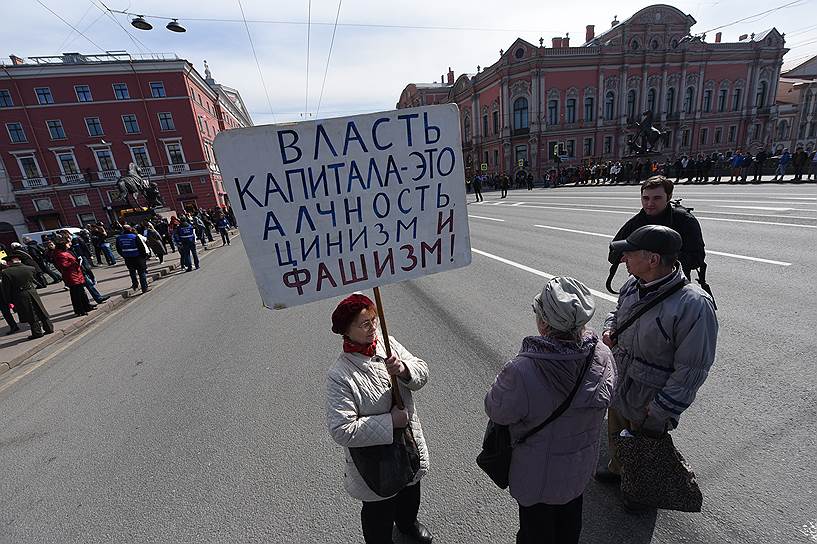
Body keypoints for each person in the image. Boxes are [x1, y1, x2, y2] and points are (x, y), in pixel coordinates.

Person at [485, 278, 616, 544]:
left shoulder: (523, 369)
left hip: (537, 477)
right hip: (578, 470)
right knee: (570, 528)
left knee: (535, 533)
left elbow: (496, 409)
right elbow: (610, 396)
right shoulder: (602, 354)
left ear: (544, 323)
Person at [596, 225, 718, 509]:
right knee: (617, 435)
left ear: (652, 259)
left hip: (650, 399)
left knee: (644, 450)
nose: (624, 258)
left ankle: (640, 491)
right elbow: (616, 313)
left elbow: (692, 370)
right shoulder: (633, 283)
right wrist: (610, 329)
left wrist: (663, 408)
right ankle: (618, 470)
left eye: (630, 253)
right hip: (621, 382)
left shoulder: (694, 305)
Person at [326, 294, 432, 544]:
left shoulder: (388, 343)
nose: (373, 327)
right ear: (346, 332)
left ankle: (407, 525)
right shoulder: (340, 375)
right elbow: (341, 429)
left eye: (374, 320)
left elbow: (422, 370)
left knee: (410, 489)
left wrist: (404, 370)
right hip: (374, 462)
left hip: (407, 443)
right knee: (379, 511)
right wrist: (389, 422)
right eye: (364, 324)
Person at [609, 176, 706, 283]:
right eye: (646, 198)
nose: (650, 203)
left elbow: (697, 258)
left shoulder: (684, 220)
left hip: (675, 286)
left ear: (668, 197)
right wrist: (633, 255)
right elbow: (613, 255)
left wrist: (661, 260)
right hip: (641, 286)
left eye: (657, 198)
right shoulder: (636, 222)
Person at [0, 256, 53, 339]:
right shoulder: (30, 268)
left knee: (30, 313)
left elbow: (6, 288)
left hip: (19, 294)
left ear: (10, 262)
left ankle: (37, 332)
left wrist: (8, 299)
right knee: (40, 309)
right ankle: (49, 328)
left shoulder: (6, 272)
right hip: (32, 291)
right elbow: (33, 279)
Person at [52, 240, 96, 316]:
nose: (68, 245)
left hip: (76, 273)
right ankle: (80, 310)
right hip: (71, 275)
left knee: (82, 292)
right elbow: (64, 265)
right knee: (76, 294)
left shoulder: (65, 252)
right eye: (67, 244)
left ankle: (87, 306)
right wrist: (75, 263)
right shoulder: (60, 254)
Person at [116, 225, 150, 294]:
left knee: (132, 272)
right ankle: (144, 287)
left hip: (128, 258)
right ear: (130, 229)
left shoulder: (119, 238)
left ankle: (135, 285)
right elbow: (141, 247)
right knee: (141, 272)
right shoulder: (135, 237)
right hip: (138, 257)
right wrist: (144, 256)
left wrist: (124, 255)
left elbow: (118, 249)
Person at [0, 260, 20, 334]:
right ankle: (14, 326)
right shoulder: (6, 272)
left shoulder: (5, 273)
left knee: (7, 312)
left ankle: (14, 326)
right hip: (8, 294)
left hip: (5, 295)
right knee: (7, 312)